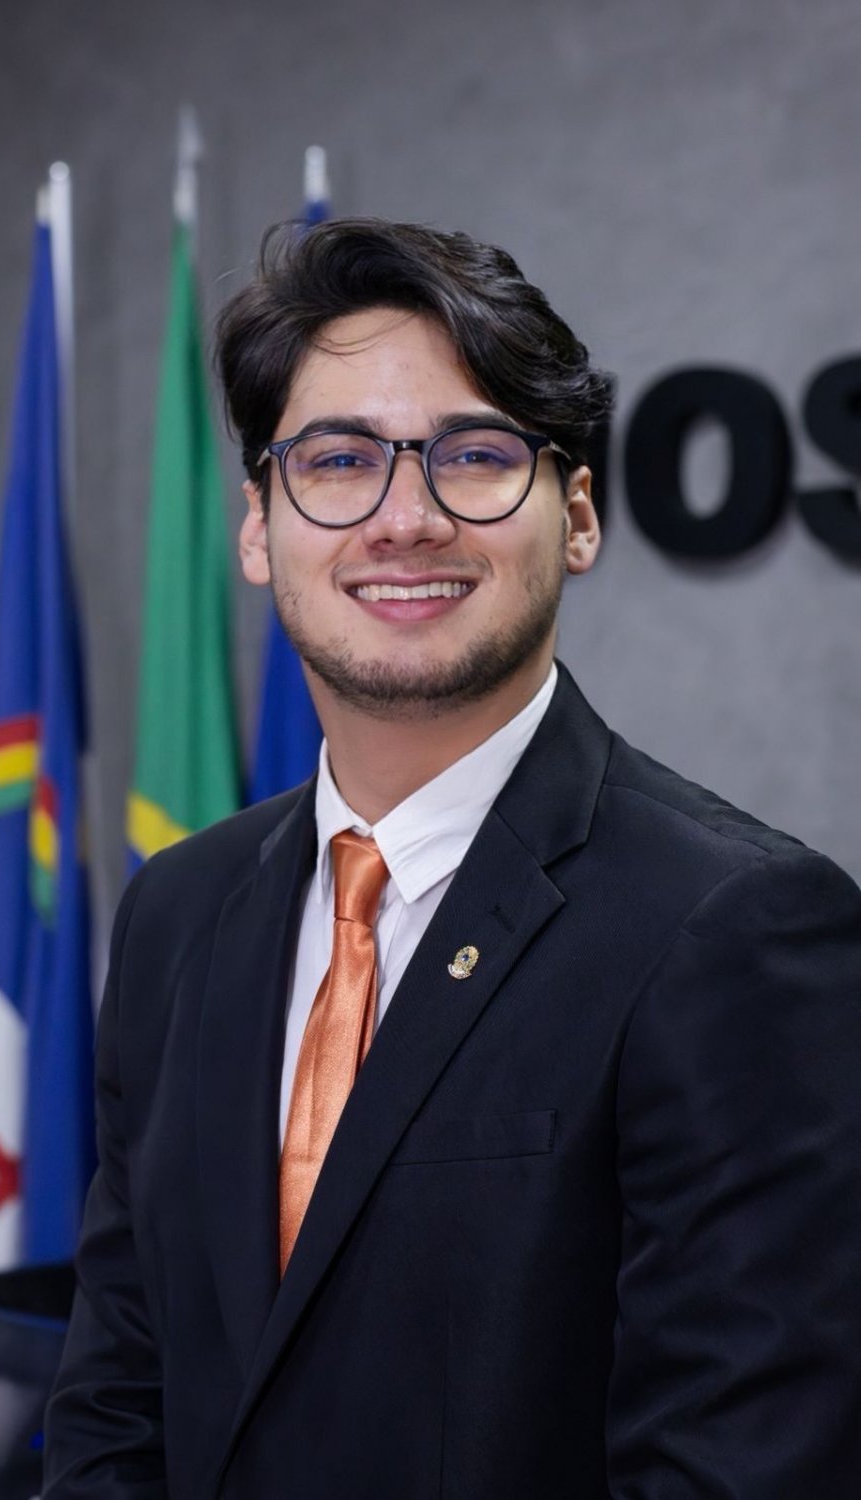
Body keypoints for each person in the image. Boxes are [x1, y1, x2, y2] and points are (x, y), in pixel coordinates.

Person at [43, 219, 861, 1498]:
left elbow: (733, 1468)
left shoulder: (737, 930)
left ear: (575, 517)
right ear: (257, 528)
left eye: (474, 456)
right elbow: (118, 1400)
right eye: (337, 461)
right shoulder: (178, 913)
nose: (404, 519)